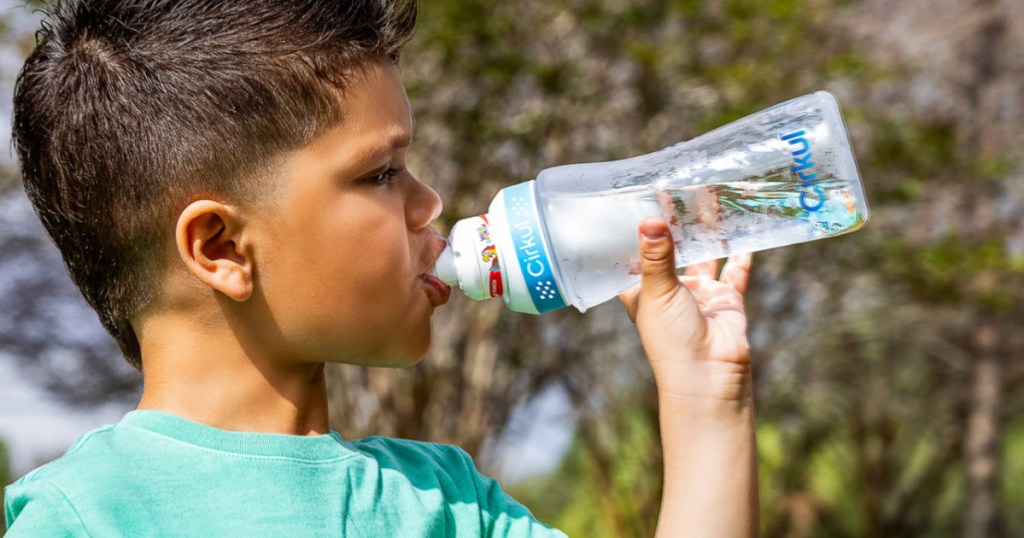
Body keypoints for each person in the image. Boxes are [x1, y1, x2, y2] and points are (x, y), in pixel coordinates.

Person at [3, 1, 758, 536]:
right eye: (381, 173)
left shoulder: (450, 504)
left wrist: (706, 401)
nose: (429, 203)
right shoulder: (85, 519)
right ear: (222, 248)